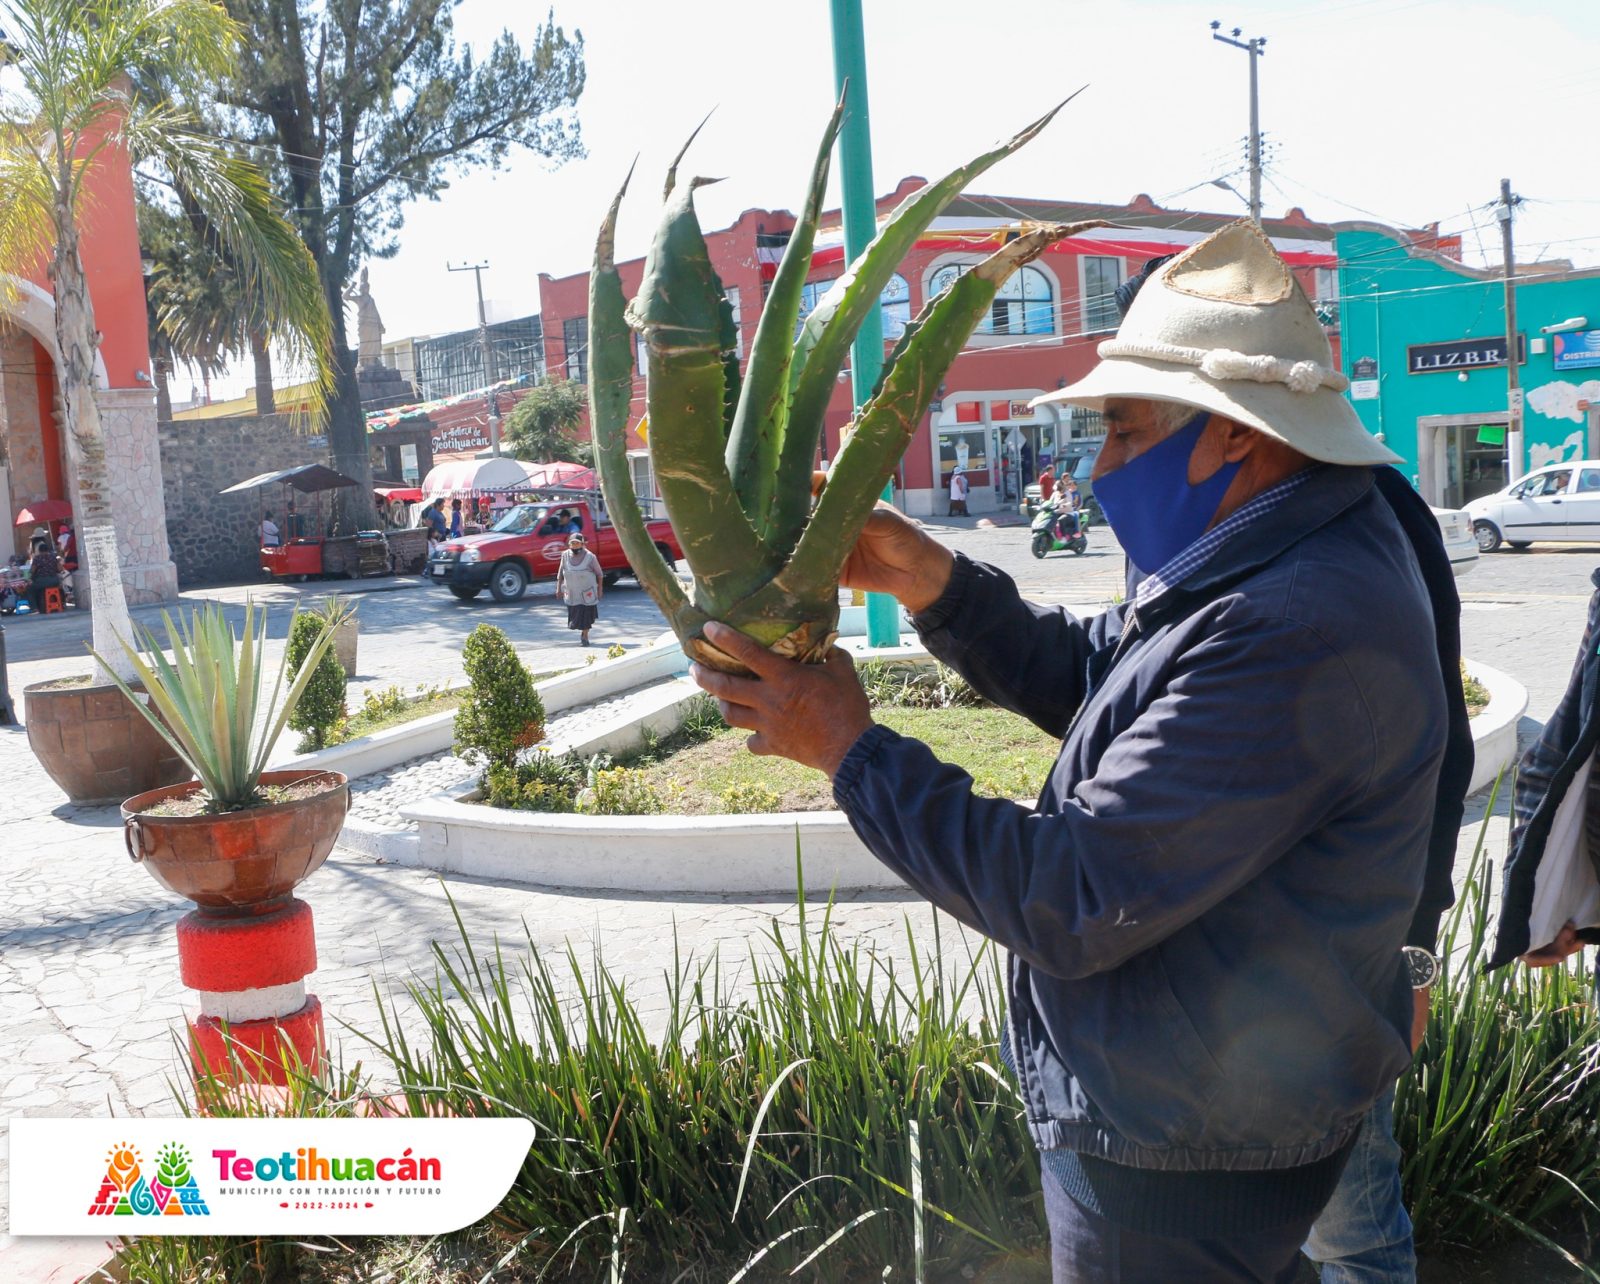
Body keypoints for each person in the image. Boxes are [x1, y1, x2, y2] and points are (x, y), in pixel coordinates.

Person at [691, 221, 1460, 1281]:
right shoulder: (1294, 542)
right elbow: (1118, 678)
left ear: (1236, 434)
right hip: (1211, 1100)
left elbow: (1074, 894)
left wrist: (851, 750)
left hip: (1181, 1146)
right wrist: (939, 584)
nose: (1099, 466)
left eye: (1123, 431)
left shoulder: (1292, 621)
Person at [555, 532, 602, 646]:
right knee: (575, 614)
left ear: (582, 544)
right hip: (572, 592)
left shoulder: (590, 557)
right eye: (572, 543)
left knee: (586, 615)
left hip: (587, 593)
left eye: (577, 543)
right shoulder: (565, 555)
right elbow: (560, 573)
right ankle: (582, 633)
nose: (575, 546)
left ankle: (585, 636)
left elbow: (599, 574)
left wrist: (600, 590)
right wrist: (558, 589)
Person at [25, 537, 62, 614]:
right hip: (55, 580)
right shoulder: (53, 557)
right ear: (48, 550)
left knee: (29, 588)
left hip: (42, 581)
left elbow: (32, 571)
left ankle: (34, 609)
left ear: (39, 551)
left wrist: (29, 577)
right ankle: (62, 603)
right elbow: (60, 569)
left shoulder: (37, 558)